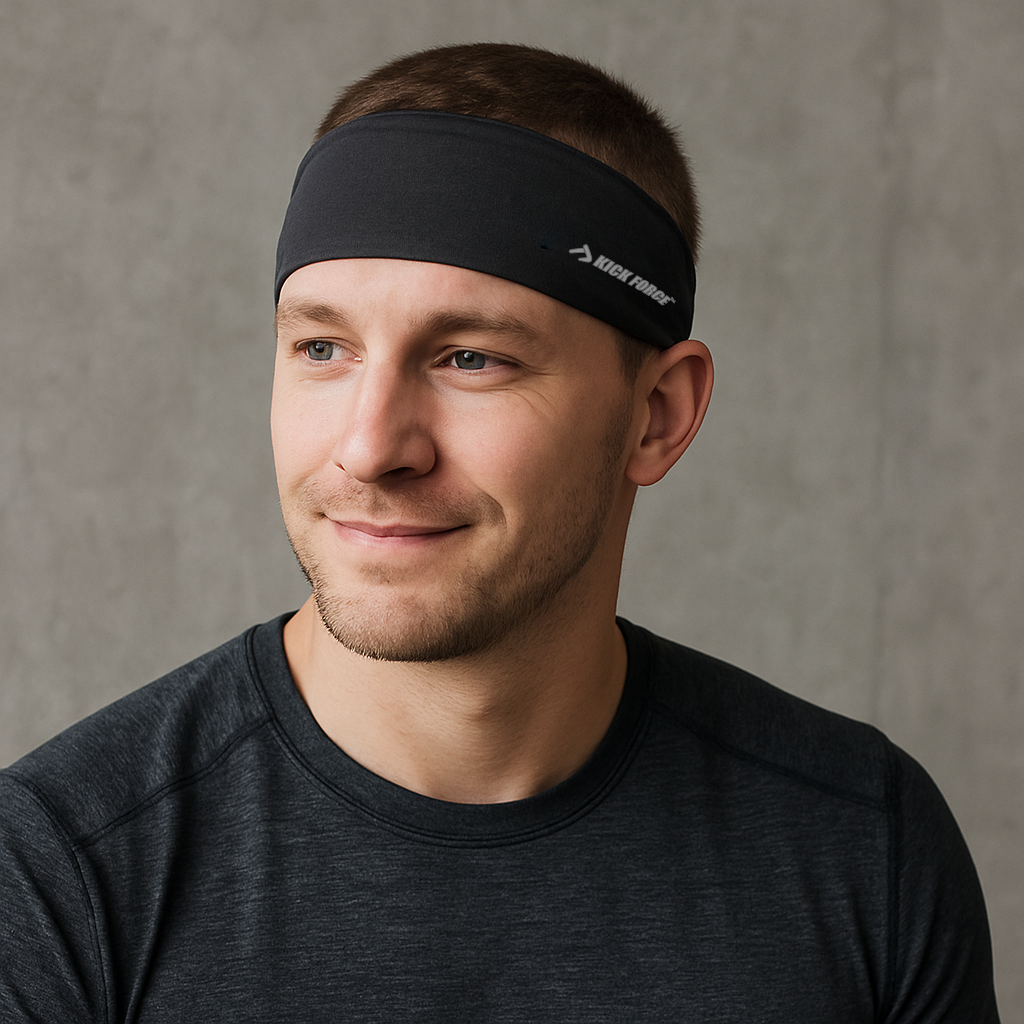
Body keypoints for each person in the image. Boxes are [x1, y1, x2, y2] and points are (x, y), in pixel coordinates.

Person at [0, 43, 999, 1022]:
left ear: (654, 415)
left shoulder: (860, 848)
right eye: (322, 347)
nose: (369, 445)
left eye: (470, 357)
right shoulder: (60, 874)